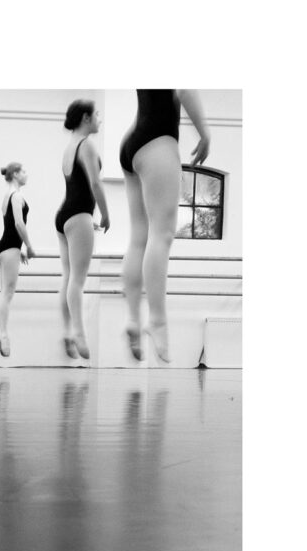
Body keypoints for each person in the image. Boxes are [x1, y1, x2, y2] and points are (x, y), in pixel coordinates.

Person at [118, 89, 210, 363]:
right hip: (158, 138)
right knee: (162, 234)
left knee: (139, 237)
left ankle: (132, 318)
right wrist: (204, 133)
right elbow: (183, 89)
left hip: (132, 141)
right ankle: (157, 320)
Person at [55, 99, 109, 361]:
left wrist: (88, 221)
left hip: (65, 215)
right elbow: (95, 184)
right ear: (86, 118)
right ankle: (78, 333)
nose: (100, 119)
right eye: (96, 114)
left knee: (68, 277)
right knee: (77, 280)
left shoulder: (70, 146)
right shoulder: (86, 145)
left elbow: (78, 186)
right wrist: (106, 214)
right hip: (78, 215)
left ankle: (67, 332)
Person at [0, 161, 37, 357]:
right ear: (16, 174)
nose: (26, 174)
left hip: (5, 248)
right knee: (7, 294)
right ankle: (3, 335)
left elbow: (11, 225)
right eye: (24, 171)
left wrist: (20, 249)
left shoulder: (7, 196)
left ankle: (3, 334)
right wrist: (29, 246)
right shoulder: (17, 196)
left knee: (5, 293)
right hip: (10, 248)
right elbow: (18, 224)